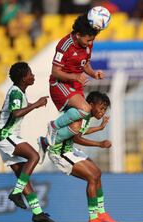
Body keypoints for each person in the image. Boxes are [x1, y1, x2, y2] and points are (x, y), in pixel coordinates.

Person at [38, 91, 118, 222]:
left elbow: (81, 131)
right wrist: (99, 144)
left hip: (69, 150)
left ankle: (102, 213)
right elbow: (77, 138)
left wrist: (99, 128)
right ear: (91, 105)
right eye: (101, 107)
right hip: (60, 152)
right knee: (92, 178)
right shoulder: (81, 115)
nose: (103, 112)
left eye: (105, 109)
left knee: (98, 173)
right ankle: (93, 218)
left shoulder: (86, 116)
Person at [0, 62, 56, 222]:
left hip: (7, 135)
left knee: (23, 176)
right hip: (5, 134)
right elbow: (15, 113)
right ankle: (16, 192)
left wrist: (34, 104)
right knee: (33, 156)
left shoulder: (19, 92)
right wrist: (35, 105)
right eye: (30, 74)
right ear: (23, 78)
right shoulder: (15, 92)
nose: (33, 76)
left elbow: (16, 110)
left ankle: (37, 213)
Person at [45, 12, 106, 147]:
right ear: (78, 35)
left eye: (92, 40)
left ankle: (46, 144)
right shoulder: (64, 45)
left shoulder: (88, 44)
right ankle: (53, 126)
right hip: (59, 84)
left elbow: (85, 64)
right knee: (85, 108)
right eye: (88, 40)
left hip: (75, 84)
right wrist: (75, 76)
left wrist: (93, 74)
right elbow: (55, 72)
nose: (90, 43)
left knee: (77, 126)